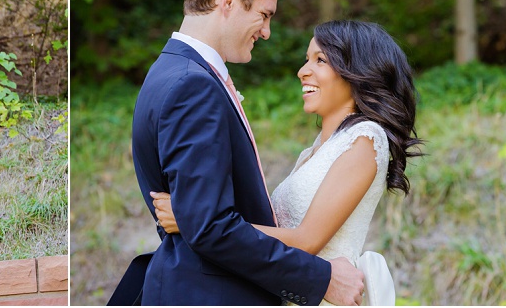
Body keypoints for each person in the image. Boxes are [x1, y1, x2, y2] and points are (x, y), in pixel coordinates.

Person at [123, 0, 365, 306]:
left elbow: (200, 219)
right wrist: (322, 280)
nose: (266, 31)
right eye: (264, 15)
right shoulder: (193, 85)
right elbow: (211, 228)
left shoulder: (168, 71)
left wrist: (189, 217)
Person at [152, 20, 425, 305]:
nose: (303, 71)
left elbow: (306, 240)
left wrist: (195, 219)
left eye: (320, 60)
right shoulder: (315, 152)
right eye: (306, 59)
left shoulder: (364, 141)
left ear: (357, 72)